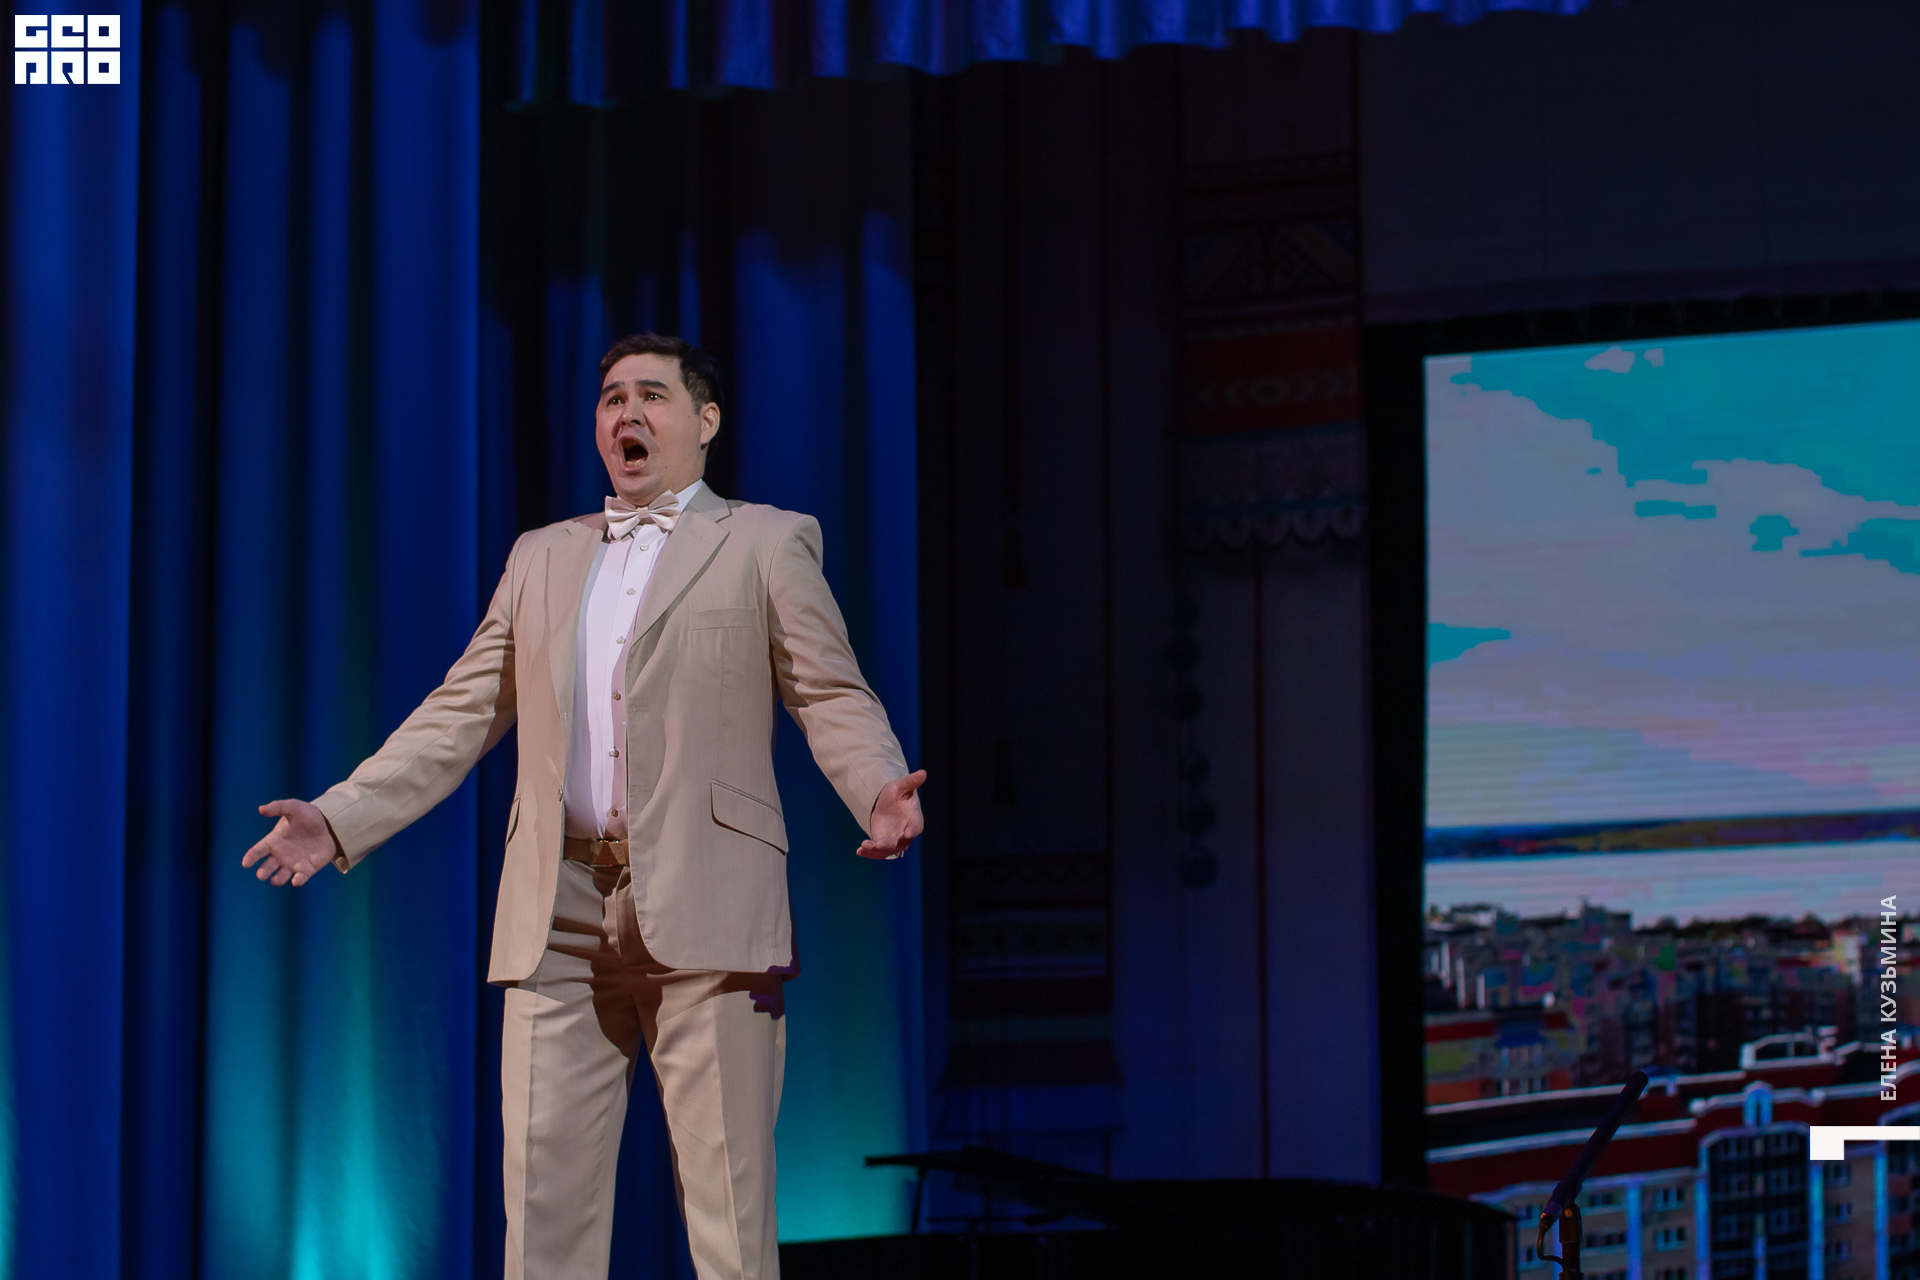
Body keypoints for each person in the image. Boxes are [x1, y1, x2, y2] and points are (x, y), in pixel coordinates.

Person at [242, 332, 925, 1280]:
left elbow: (828, 690)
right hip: (555, 913)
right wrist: (340, 815)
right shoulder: (543, 556)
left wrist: (877, 786)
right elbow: (459, 712)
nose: (627, 413)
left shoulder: (767, 541)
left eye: (652, 395)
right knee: (542, 1226)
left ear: (706, 420)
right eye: (611, 399)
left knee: (731, 1227)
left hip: (710, 903)